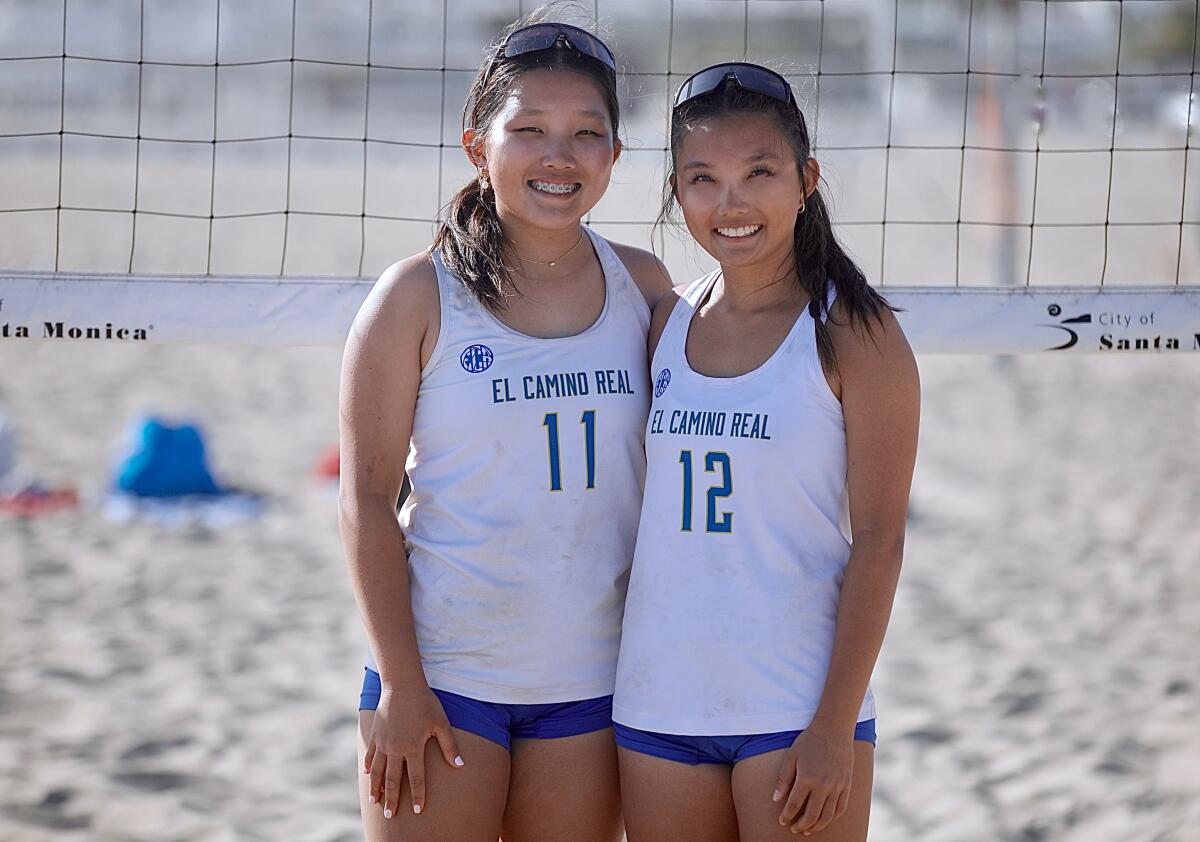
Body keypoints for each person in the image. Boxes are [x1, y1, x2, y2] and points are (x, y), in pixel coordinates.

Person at [338, 18, 671, 842]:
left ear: (615, 158)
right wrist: (402, 688)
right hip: (444, 680)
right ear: (477, 147)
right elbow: (366, 502)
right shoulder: (417, 295)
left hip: (593, 686)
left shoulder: (646, 287)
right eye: (529, 131)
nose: (558, 156)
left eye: (586, 134)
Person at [613, 63, 920, 841]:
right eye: (702, 179)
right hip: (659, 701)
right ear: (678, 195)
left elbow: (881, 541)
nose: (731, 203)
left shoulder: (856, 332)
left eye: (759, 173)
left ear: (805, 179)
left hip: (795, 709)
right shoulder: (665, 323)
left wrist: (832, 727)